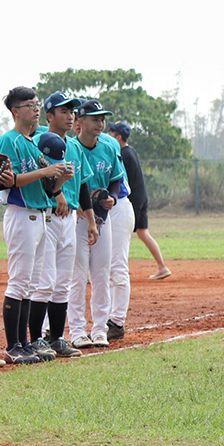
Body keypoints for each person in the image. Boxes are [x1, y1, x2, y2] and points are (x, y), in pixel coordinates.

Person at [0, 87, 69, 364]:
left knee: (30, 283)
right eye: (29, 105)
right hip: (20, 213)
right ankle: (13, 345)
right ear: (15, 111)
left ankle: (25, 342)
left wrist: (60, 178)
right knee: (19, 281)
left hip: (39, 215)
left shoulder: (31, 142)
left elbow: (49, 189)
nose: (35, 109)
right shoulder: (8, 140)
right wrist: (46, 171)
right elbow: (7, 180)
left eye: (37, 104)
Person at [34, 91, 92, 358]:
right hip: (46, 215)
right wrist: (57, 193)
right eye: (64, 111)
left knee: (63, 281)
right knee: (44, 280)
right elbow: (41, 181)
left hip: (69, 218)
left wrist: (90, 219)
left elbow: (82, 185)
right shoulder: (36, 142)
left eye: (72, 111)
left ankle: (56, 337)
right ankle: (36, 338)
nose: (70, 116)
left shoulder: (76, 147)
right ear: (49, 115)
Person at [68, 100, 122, 348]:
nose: (100, 123)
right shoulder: (70, 148)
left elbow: (115, 180)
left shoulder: (109, 148)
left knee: (101, 275)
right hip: (77, 220)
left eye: (102, 119)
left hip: (103, 219)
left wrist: (111, 197)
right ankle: (77, 331)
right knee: (77, 276)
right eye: (95, 118)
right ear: (80, 122)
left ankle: (100, 329)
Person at [108, 122, 170, 280]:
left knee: (119, 234)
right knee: (143, 233)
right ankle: (162, 267)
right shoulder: (131, 151)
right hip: (141, 197)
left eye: (111, 132)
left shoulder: (123, 154)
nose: (108, 133)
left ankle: (114, 270)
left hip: (132, 199)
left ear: (118, 137)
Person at [105, 122, 134, 340]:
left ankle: (116, 321)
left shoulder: (109, 144)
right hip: (96, 210)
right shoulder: (74, 145)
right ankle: (104, 319)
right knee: (100, 269)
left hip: (118, 206)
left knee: (117, 264)